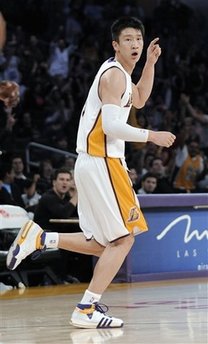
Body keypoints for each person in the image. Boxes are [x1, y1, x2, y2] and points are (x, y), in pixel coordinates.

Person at [6, 17, 175, 329]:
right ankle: (86, 307)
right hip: (103, 162)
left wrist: (150, 63)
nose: (135, 44)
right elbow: (111, 127)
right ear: (115, 44)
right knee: (124, 239)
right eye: (128, 39)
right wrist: (152, 135)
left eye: (138, 38)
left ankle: (41, 237)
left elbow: (139, 98)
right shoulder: (113, 77)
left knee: (101, 242)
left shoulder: (121, 73)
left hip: (93, 163)